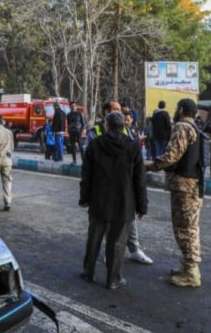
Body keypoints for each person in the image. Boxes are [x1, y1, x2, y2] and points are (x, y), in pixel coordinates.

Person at [80, 112, 147, 290]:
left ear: (107, 126)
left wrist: (84, 198)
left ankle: (88, 272)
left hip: (98, 200)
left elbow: (86, 175)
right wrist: (142, 206)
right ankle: (113, 278)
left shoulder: (94, 145)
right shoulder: (133, 147)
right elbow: (139, 180)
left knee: (94, 238)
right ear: (124, 127)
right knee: (117, 242)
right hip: (124, 203)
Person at [146, 98, 204, 287]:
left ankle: (191, 273)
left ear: (180, 110)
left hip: (184, 186)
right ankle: (189, 267)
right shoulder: (195, 128)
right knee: (189, 227)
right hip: (193, 185)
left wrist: (149, 166)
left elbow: (171, 156)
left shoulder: (182, 127)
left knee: (184, 229)